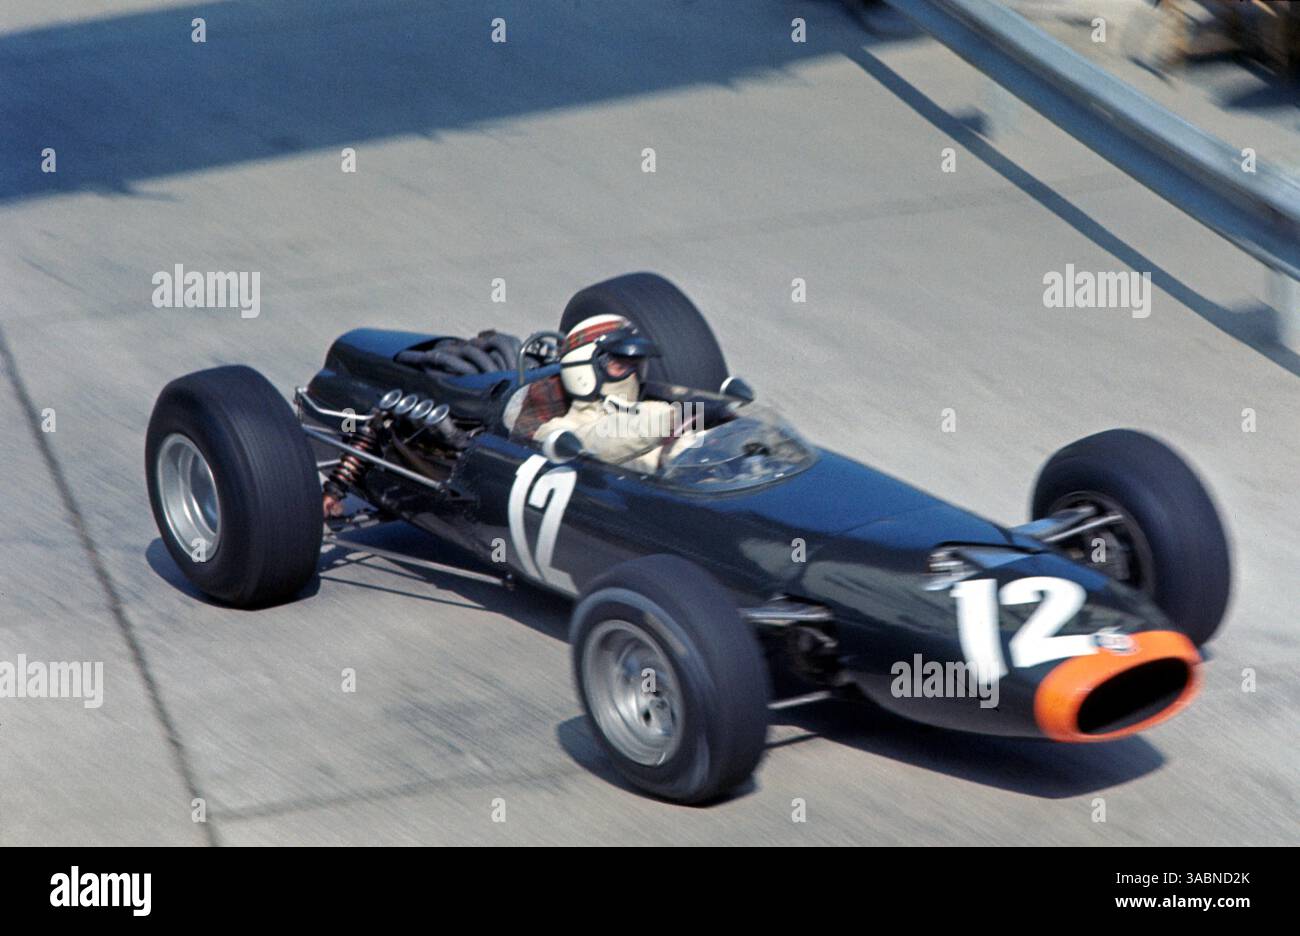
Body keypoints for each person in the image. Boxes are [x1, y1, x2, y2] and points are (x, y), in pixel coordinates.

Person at [534, 314, 682, 472]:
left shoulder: (649, 410)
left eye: (637, 366)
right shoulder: (555, 433)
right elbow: (599, 440)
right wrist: (670, 420)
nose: (633, 376)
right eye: (621, 366)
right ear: (583, 372)